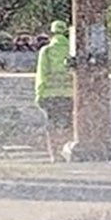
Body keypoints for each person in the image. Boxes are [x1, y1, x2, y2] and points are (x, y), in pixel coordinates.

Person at [33, 21, 73, 160]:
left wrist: (39, 94)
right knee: (68, 124)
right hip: (69, 95)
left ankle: (54, 154)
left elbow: (41, 75)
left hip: (50, 95)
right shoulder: (72, 50)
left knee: (51, 126)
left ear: (51, 33)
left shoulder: (47, 50)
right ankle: (66, 151)